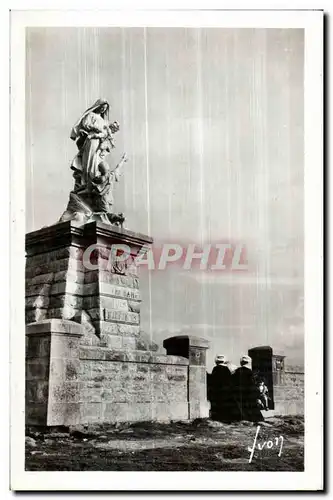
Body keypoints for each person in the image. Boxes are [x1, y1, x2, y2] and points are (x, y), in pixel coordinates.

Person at [232, 355, 264, 422]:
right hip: (249, 395)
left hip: (239, 395)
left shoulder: (237, 371)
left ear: (241, 362)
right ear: (249, 362)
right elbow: (252, 385)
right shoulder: (250, 372)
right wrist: (257, 394)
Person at [210, 354, 240, 422]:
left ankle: (219, 417)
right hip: (227, 390)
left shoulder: (215, 369)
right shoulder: (226, 369)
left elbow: (213, 380)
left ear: (216, 361)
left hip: (218, 391)